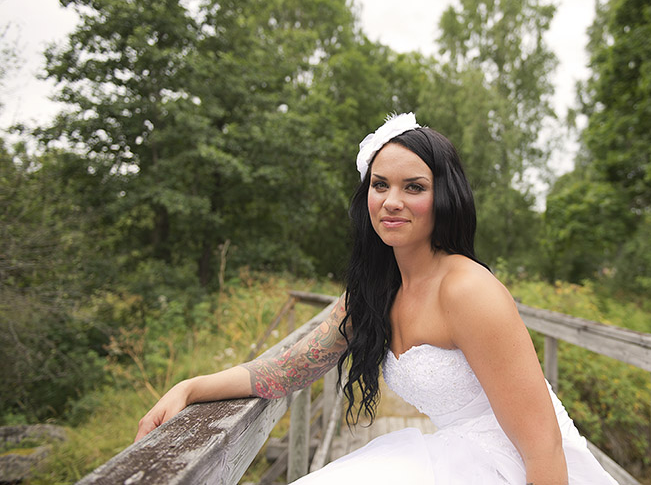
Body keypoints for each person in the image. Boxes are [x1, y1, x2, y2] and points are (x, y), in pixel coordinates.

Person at [136, 113, 618, 485]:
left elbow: (543, 447)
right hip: (457, 453)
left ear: (445, 197)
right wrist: (189, 388)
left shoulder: (469, 290)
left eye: (414, 187)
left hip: (521, 468)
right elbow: (286, 370)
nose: (391, 201)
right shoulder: (374, 291)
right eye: (380, 184)